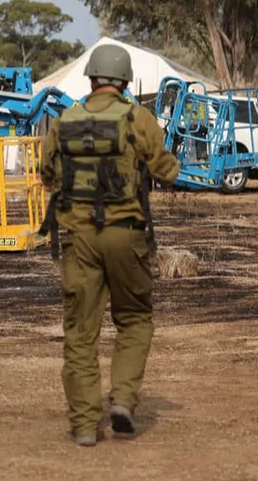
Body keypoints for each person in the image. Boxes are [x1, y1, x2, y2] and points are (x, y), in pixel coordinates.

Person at [40, 44, 180, 447]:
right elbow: (167, 171)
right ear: (124, 81)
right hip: (126, 235)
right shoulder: (138, 118)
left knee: (80, 332)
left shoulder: (63, 121)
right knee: (134, 319)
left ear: (91, 79)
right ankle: (122, 401)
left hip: (78, 239)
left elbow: (47, 173)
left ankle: (86, 424)